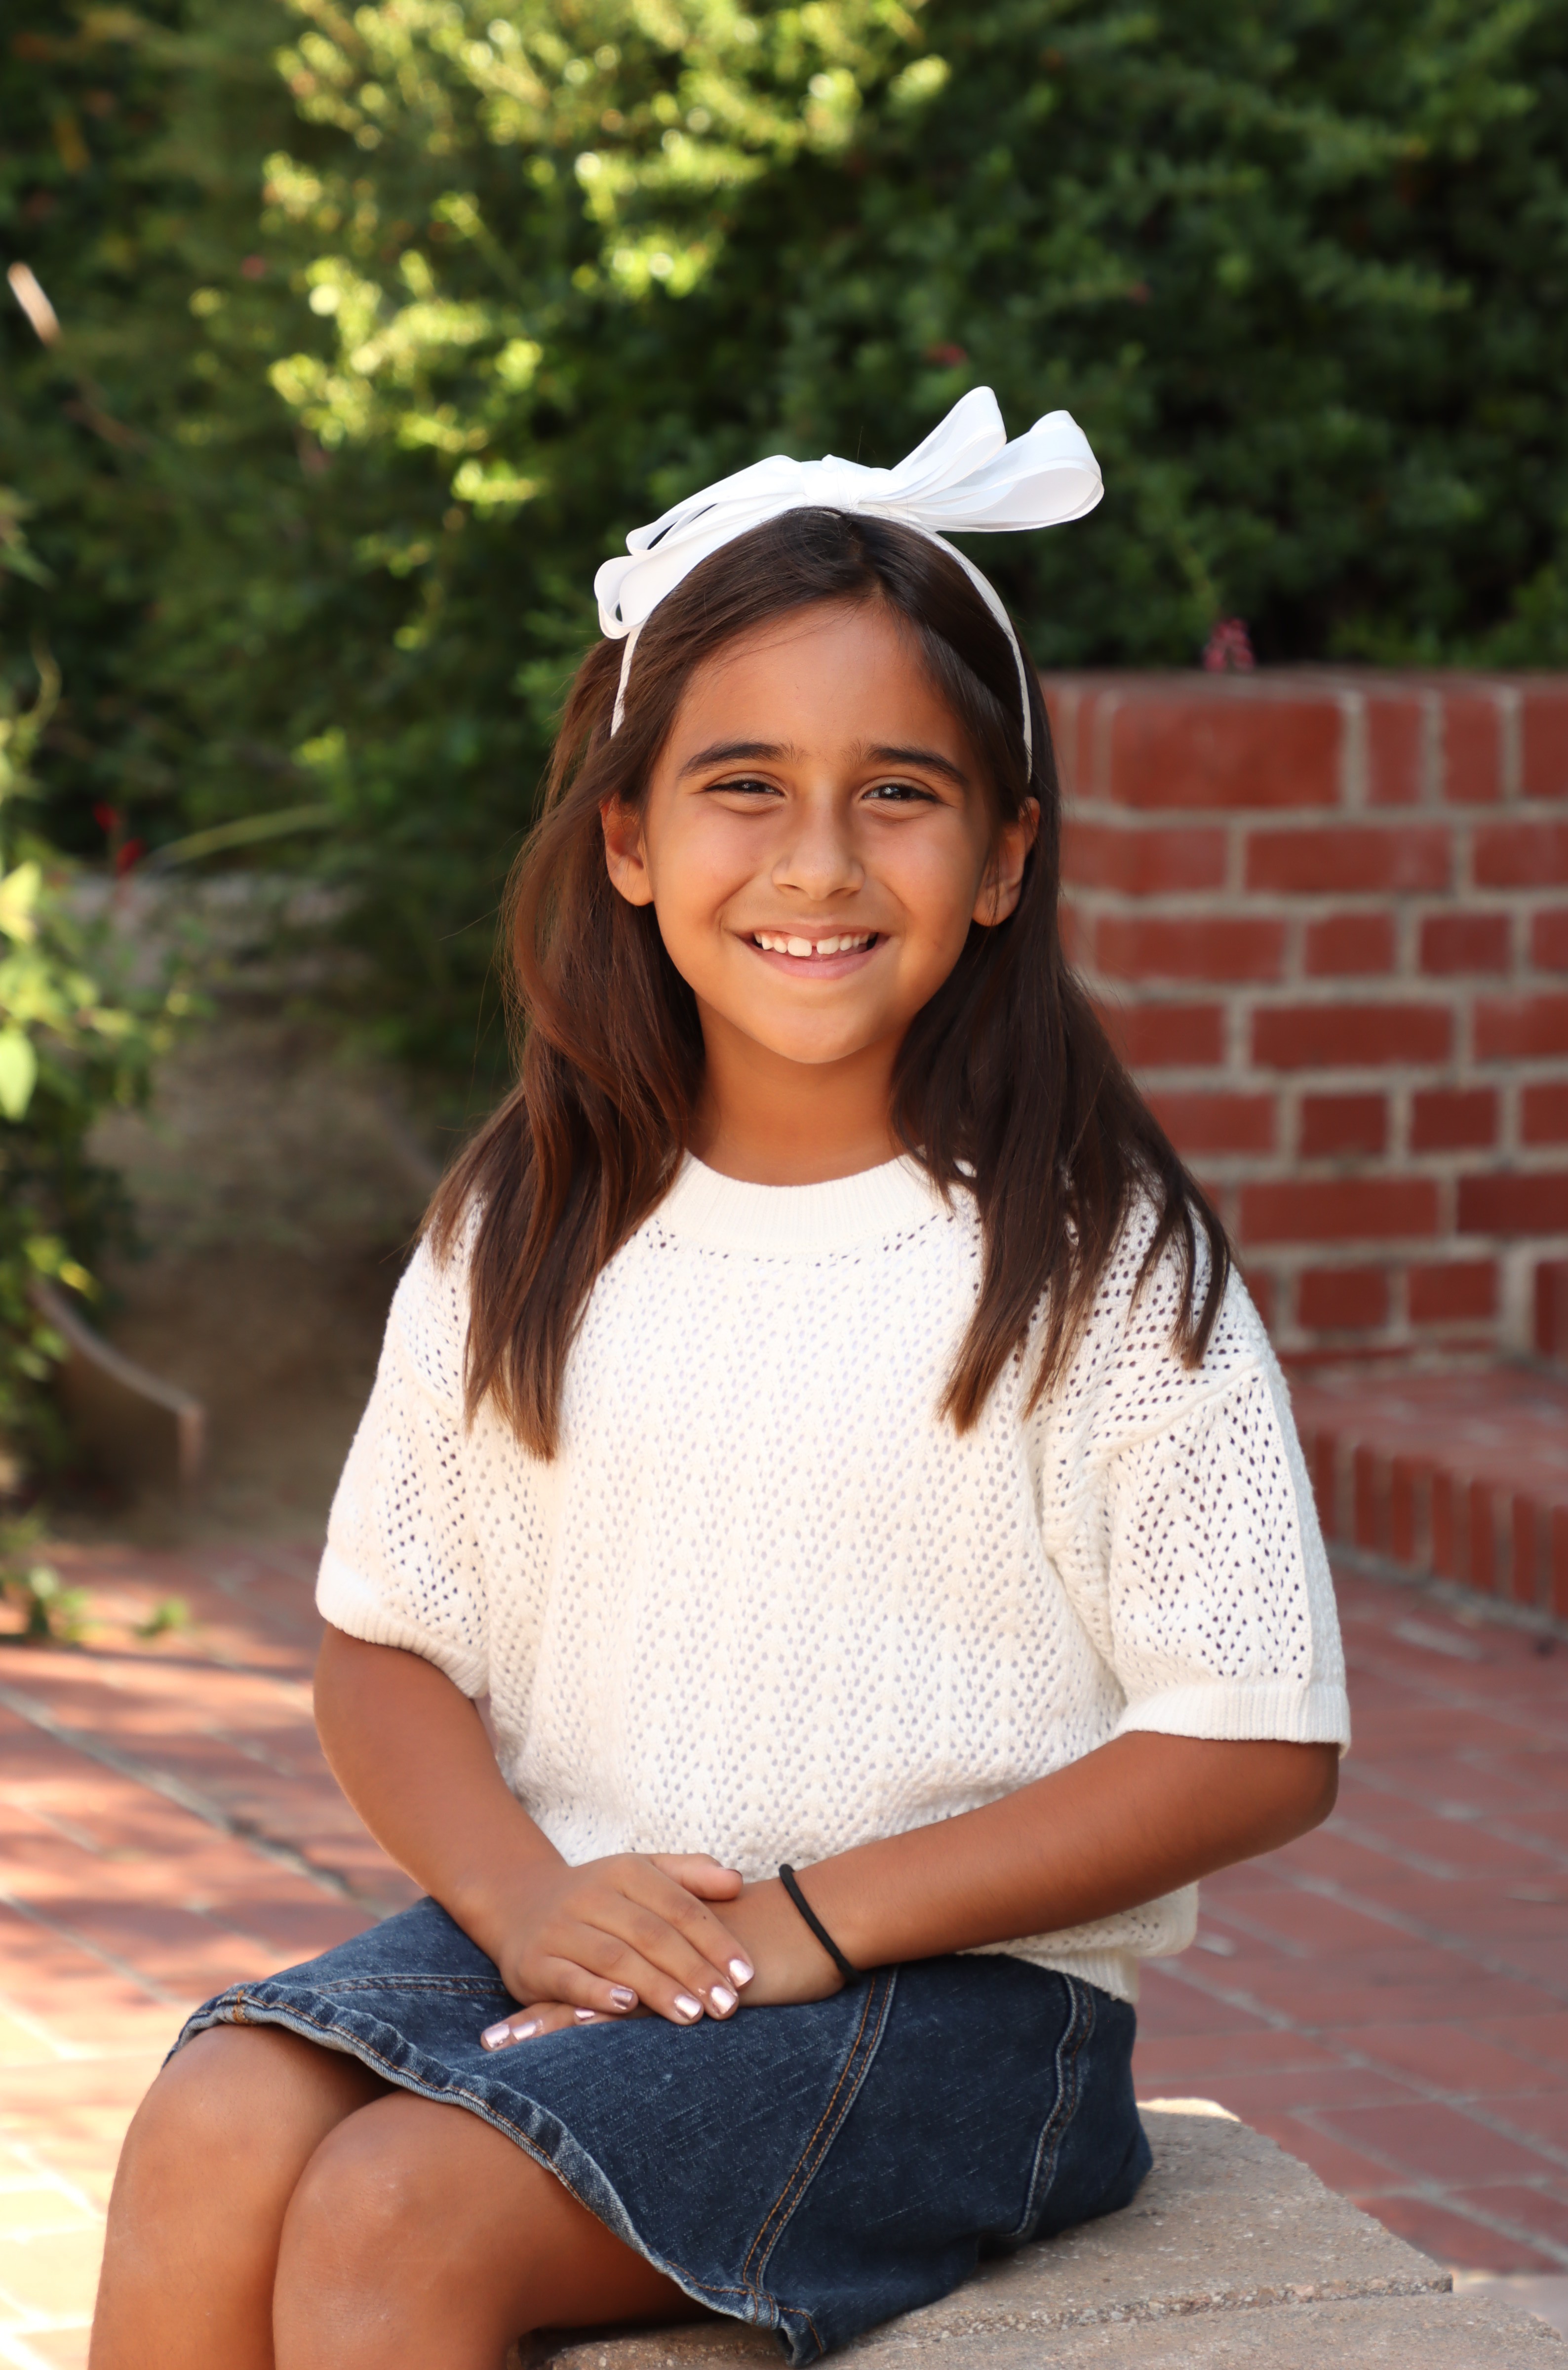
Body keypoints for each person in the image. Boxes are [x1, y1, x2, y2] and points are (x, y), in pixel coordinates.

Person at [90, 390, 1347, 2370]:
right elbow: (385, 1649)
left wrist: (811, 1921)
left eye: (899, 792)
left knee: (397, 2214)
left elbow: (1254, 1736)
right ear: (628, 838)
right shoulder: (527, 1219)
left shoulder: (1090, 1255)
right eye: (743, 785)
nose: (815, 861)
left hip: (961, 2002)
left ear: (1003, 855)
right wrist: (521, 1899)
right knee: (213, 2129)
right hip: (601, 1922)